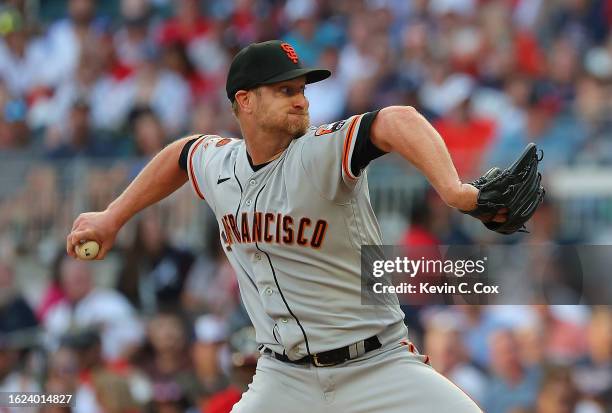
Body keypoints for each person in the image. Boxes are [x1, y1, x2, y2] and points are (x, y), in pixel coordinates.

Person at [67, 40, 508, 412]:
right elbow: (182, 155)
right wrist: (112, 217)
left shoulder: (320, 152)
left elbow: (398, 120)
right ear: (245, 101)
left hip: (377, 365)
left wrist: (454, 191)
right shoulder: (221, 165)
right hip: (283, 377)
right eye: (284, 90)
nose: (301, 100)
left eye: (301, 89)